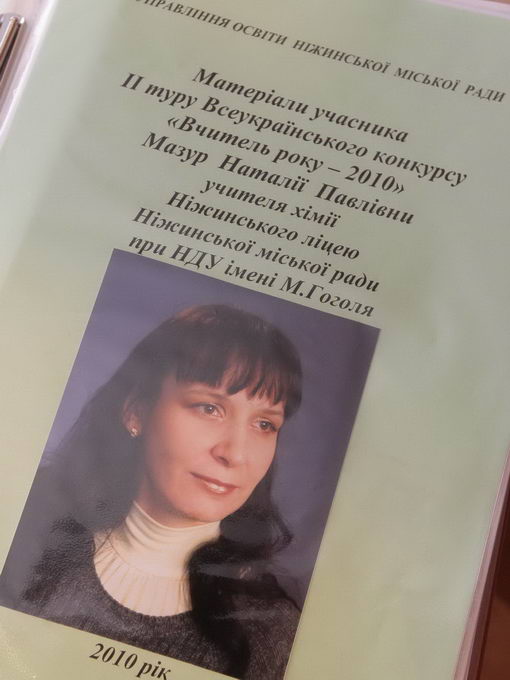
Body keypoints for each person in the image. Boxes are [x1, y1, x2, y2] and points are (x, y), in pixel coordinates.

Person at [0, 304, 303, 680]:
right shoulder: (18, 531)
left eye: (264, 424)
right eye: (209, 408)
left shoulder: (274, 634)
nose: (236, 454)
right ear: (136, 412)